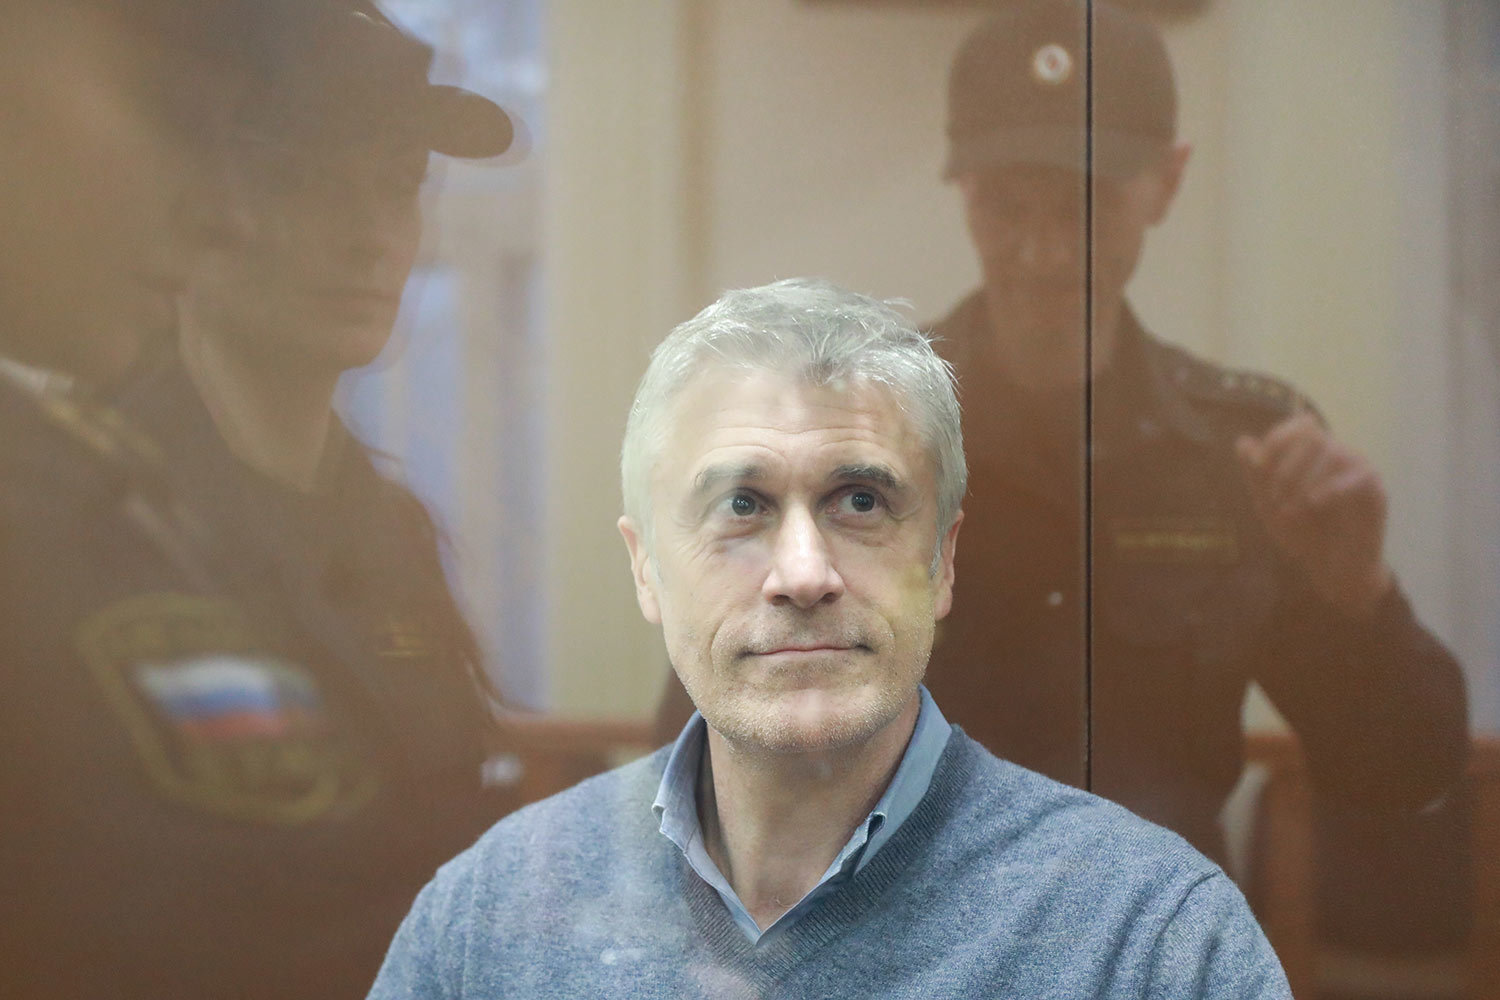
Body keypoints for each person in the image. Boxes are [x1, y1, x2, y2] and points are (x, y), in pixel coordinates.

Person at [656, 0, 1471, 868]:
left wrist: (1359, 599)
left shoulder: (1245, 452)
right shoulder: (848, 430)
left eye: (1085, 206)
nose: (1044, 251)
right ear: (964, 191)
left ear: (1167, 183)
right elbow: (700, 762)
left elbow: (1402, 776)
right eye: (1009, 206)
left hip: (1156, 933)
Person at [369, 278, 1291, 999]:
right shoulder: (487, 919)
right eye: (741, 505)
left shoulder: (1151, 941)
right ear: (646, 568)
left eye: (860, 501)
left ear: (943, 560)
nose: (803, 573)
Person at [0, 2, 512, 996]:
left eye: (396, 186)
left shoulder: (386, 535)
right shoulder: (84, 515)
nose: (367, 238)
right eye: (303, 182)